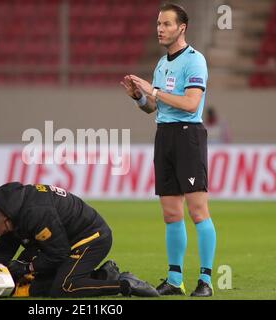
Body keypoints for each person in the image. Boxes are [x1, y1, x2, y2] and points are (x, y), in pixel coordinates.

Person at [121, 3, 216, 297]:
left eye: (166, 24)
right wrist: (139, 97)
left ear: (181, 28)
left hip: (188, 136)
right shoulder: (162, 64)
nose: (159, 29)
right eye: (158, 24)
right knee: (171, 214)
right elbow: (154, 108)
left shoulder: (195, 60)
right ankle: (175, 280)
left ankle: (206, 280)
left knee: (198, 211)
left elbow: (189, 104)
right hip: (164, 136)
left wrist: (155, 91)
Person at [0, 182, 159, 298]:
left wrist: (27, 267)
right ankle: (101, 276)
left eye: (1, 232)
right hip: (61, 239)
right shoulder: (11, 209)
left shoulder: (36, 214)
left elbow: (58, 254)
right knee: (34, 283)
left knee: (64, 288)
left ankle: (124, 284)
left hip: (91, 238)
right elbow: (4, 249)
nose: (3, 236)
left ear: (6, 221)